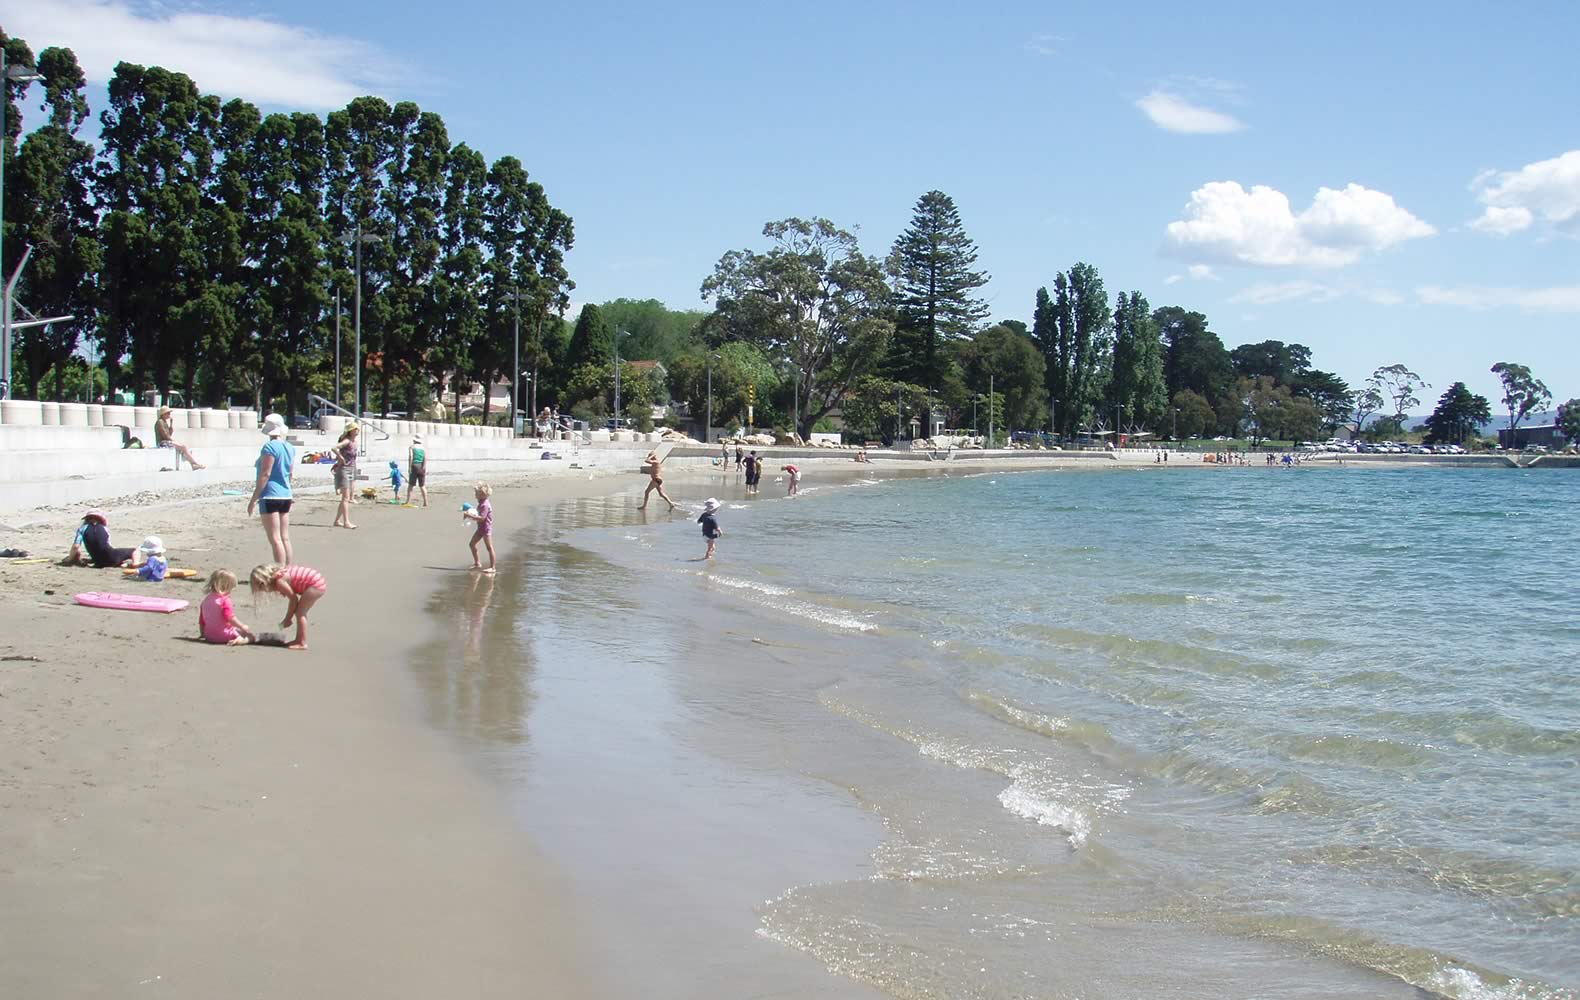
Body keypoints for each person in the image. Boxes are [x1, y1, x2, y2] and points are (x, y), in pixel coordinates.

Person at [247, 414, 295, 564]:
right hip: (286, 494)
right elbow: (290, 474)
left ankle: (280, 572)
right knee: (285, 537)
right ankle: (289, 570)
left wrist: (254, 499)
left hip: (270, 495)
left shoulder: (269, 447)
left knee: (275, 539)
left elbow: (265, 474)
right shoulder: (290, 447)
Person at [250, 563, 327, 651]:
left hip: (315, 585)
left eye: (262, 588)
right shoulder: (280, 575)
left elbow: (293, 599)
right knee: (299, 612)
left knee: (300, 613)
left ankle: (302, 642)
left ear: (263, 583)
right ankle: (298, 640)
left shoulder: (280, 582)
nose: (265, 591)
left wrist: (288, 619)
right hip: (317, 580)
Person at [198, 570, 256, 645]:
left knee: (235, 629)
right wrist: (242, 626)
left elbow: (202, 622)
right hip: (224, 636)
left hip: (209, 636)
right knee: (250, 636)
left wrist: (203, 634)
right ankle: (239, 640)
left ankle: (237, 637)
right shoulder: (224, 600)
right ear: (226, 587)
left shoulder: (205, 601)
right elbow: (230, 618)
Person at [463, 482, 496, 573]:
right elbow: (479, 514)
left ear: (482, 494)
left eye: (476, 493)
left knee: (489, 547)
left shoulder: (485, 505)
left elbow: (482, 518)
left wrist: (469, 516)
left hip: (485, 529)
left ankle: (492, 568)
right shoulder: (481, 503)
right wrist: (471, 512)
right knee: (472, 544)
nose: (475, 494)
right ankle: (477, 563)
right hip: (480, 528)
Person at [332, 424, 359, 529]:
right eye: (355, 429)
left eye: (358, 429)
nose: (357, 430)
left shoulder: (354, 442)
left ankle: (337, 520)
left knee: (345, 498)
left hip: (350, 469)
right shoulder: (347, 441)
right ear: (351, 431)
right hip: (343, 470)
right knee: (346, 497)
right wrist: (340, 457)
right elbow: (334, 448)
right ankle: (346, 522)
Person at [407, 434, 429, 507]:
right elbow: (425, 458)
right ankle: (425, 502)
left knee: (411, 485)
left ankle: (408, 501)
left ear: (414, 440)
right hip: (421, 466)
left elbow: (411, 457)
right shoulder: (423, 448)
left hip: (414, 465)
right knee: (422, 485)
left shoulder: (412, 447)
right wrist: (424, 467)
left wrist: (409, 467)